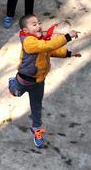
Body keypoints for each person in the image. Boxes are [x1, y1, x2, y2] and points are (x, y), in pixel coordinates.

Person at [8, 14, 81, 148]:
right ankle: (12, 83)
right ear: (25, 31)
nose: (39, 26)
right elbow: (48, 46)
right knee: (16, 93)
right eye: (34, 24)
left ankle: (37, 129)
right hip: (24, 80)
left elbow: (50, 51)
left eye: (39, 23)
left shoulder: (41, 41)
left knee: (37, 107)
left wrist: (69, 53)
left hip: (38, 83)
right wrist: (67, 37)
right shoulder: (29, 42)